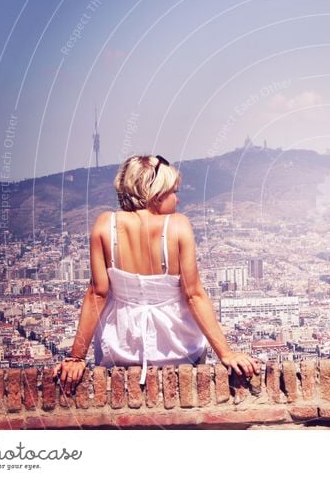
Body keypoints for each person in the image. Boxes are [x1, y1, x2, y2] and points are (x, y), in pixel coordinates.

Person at [54, 155, 259, 391]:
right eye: (173, 191)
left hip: (121, 344)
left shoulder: (104, 224)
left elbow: (97, 294)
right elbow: (194, 295)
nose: (177, 199)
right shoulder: (178, 225)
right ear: (156, 194)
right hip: (177, 345)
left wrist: (76, 357)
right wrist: (227, 353)